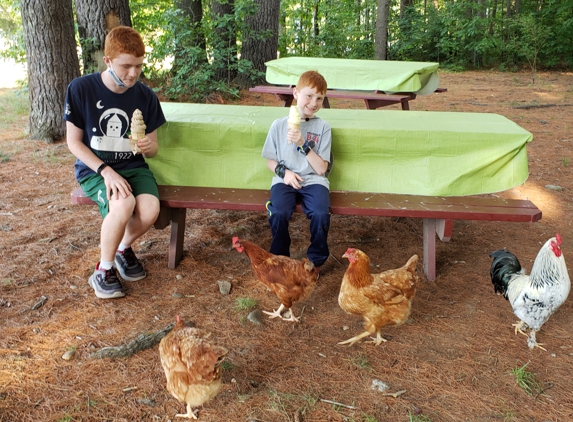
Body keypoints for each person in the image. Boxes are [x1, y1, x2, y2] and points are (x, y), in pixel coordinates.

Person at [64, 26, 166, 299]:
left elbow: (154, 149)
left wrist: (148, 146)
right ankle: (103, 269)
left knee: (150, 208)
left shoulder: (145, 96)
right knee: (124, 203)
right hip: (95, 169)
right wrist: (106, 171)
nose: (133, 73)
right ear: (108, 61)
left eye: (139, 66)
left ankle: (122, 249)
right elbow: (73, 143)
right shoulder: (81, 88)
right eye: (126, 66)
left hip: (133, 167)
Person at [262, 70, 332, 268]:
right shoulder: (278, 126)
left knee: (320, 213)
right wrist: (285, 173)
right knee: (279, 212)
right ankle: (280, 257)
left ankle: (315, 261)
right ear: (295, 94)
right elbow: (270, 161)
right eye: (309, 96)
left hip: (313, 180)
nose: (314, 102)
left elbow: (321, 169)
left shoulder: (323, 128)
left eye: (319, 98)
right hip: (285, 180)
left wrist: (303, 143)